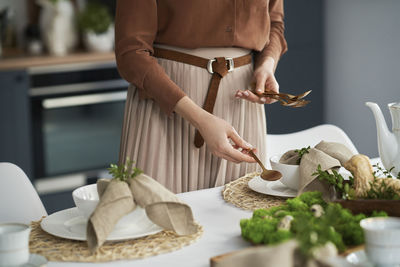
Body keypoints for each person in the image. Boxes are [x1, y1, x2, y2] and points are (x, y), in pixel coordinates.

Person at [115, 0, 288, 193]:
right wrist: (199, 119)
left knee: (241, 218)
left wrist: (266, 65)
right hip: (165, 104)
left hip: (241, 109)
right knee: (154, 218)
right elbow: (132, 53)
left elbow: (274, 23)